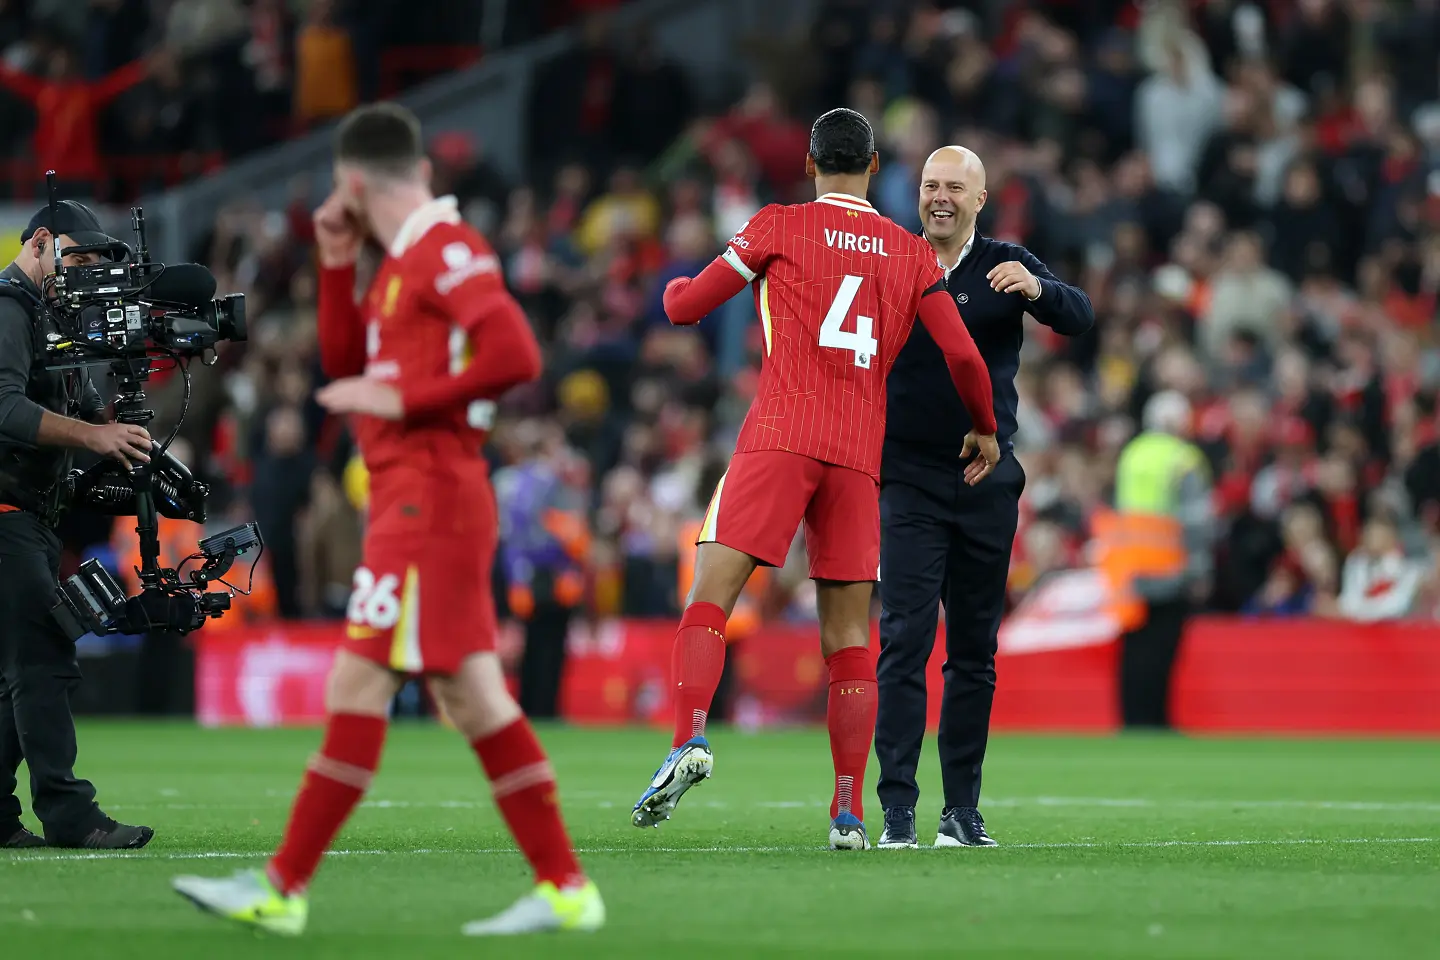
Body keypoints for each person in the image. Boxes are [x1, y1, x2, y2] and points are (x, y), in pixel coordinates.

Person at [170, 103, 603, 937]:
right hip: (419, 499)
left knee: (361, 683)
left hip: (427, 502)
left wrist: (401, 397)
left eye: (340, 196)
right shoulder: (402, 261)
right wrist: (335, 263)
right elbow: (344, 363)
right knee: (473, 697)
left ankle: (282, 888)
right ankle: (564, 888)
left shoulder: (446, 250)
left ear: (357, 182)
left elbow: (517, 354)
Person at [629, 108, 1001, 851]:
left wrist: (672, 287)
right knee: (847, 641)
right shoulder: (910, 253)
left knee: (712, 595)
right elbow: (963, 357)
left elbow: (686, 307)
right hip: (858, 459)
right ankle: (847, 811)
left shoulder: (777, 226)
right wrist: (985, 427)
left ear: (809, 163)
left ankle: (688, 738)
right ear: (872, 167)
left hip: (780, 435)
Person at [874, 146, 1094, 850]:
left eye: (953, 187)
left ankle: (961, 811)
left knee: (974, 651)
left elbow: (1080, 317)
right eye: (930, 185)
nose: (939, 197)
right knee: (904, 642)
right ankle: (898, 810)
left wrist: (1037, 289)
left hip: (986, 483)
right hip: (907, 478)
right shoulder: (890, 260)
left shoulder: (1006, 261)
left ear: (980, 197)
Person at [0, 201, 157, 851]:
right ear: (39, 242)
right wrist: (96, 432)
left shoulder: (46, 319)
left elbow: (91, 430)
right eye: (78, 256)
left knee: (17, 671)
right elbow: (3, 407)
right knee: (43, 657)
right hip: (5, 517)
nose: (84, 272)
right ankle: (68, 812)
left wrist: (148, 468)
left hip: (30, 518)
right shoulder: (8, 307)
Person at [1095, 390, 1213, 728]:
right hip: (1169, 568)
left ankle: (1133, 720)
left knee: (1133, 649)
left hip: (1131, 568)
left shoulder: (1132, 455)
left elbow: (1119, 509)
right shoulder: (1183, 458)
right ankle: (1157, 721)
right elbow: (1195, 520)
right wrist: (1200, 569)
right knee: (1162, 650)